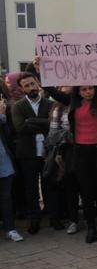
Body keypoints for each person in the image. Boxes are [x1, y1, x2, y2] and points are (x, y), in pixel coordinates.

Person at [35, 56, 97, 243]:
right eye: (84, 89)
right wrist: (39, 69)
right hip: (81, 152)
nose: (88, 91)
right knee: (86, 191)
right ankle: (91, 227)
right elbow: (50, 89)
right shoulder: (72, 101)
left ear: (95, 88)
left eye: (90, 88)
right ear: (79, 90)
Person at [11, 72, 58, 234]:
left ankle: (54, 218)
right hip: (27, 154)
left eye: (32, 84)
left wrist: (30, 121)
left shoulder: (50, 104)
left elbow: (53, 124)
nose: (31, 88)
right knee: (31, 189)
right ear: (22, 89)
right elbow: (20, 128)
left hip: (47, 152)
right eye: (26, 86)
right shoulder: (17, 106)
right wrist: (43, 123)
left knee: (49, 186)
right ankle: (34, 221)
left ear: (38, 83)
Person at [44, 86, 80, 235]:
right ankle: (73, 220)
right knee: (71, 186)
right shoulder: (57, 108)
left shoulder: (82, 102)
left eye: (69, 84)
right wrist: (71, 136)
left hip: (86, 149)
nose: (66, 87)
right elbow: (52, 136)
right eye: (62, 85)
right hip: (68, 152)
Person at [0, 98, 22, 242]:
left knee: (6, 197)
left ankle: (10, 228)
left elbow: (8, 134)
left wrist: (2, 117)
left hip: (3, 160)